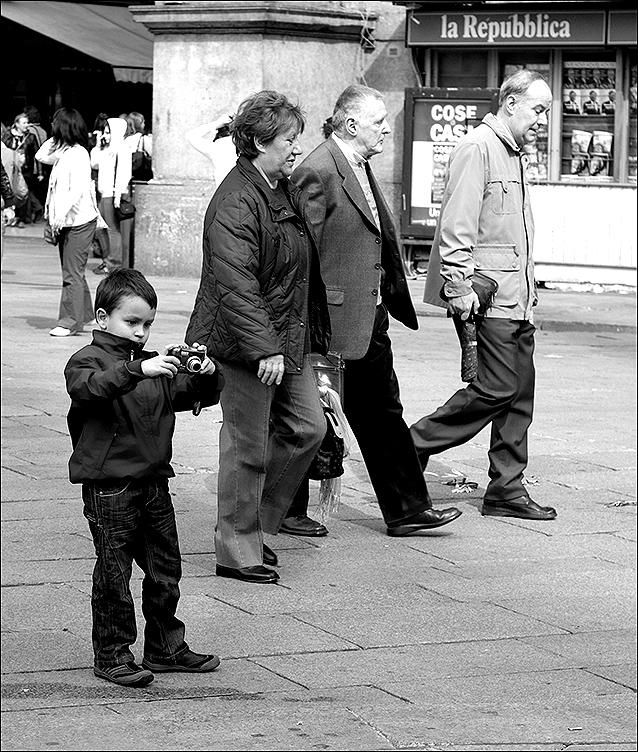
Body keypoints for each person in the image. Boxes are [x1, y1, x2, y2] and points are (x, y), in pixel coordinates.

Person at [289, 84, 461, 538]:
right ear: (350, 125)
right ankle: (288, 508)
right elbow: (301, 252)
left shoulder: (359, 165)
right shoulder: (318, 170)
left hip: (370, 313)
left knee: (381, 411)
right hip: (333, 318)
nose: (387, 129)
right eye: (379, 122)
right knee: (316, 413)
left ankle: (407, 509)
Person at [185, 90, 331, 584]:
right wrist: (264, 346)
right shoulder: (236, 198)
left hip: (285, 337)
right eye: (289, 140)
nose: (296, 149)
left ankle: (255, 525)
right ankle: (235, 547)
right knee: (246, 445)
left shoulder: (277, 186)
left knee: (309, 428)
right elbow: (235, 281)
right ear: (257, 142)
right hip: (246, 343)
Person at [64, 268, 224, 687]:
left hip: (153, 481)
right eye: (131, 322)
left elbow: (199, 396)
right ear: (102, 318)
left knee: (165, 569)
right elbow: (90, 389)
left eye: (147, 324)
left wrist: (207, 373)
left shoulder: (154, 367)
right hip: (110, 484)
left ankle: (165, 646)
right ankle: (113, 653)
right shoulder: (87, 360)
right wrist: (139, 370)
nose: (140, 332)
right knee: (115, 573)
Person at [410, 70, 557, 522]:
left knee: (520, 394)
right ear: (510, 103)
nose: (543, 121)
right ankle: (409, 447)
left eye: (547, 112)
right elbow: (456, 224)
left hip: (518, 297)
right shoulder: (478, 148)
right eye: (538, 109)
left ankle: (507, 490)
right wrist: (457, 285)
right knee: (496, 388)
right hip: (486, 296)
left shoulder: (513, 152)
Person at [35, 108, 102, 337]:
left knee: (71, 274)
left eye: (55, 123)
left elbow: (79, 188)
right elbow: (41, 156)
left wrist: (60, 215)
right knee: (73, 271)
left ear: (62, 125)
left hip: (78, 221)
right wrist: (56, 137)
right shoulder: (65, 151)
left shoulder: (79, 153)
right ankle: (84, 315)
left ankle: (69, 322)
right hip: (67, 222)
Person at [90, 117, 130, 274]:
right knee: (101, 228)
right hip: (103, 193)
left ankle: (113, 262)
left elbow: (124, 173)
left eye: (108, 132)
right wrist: (98, 145)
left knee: (112, 229)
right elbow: (94, 164)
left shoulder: (122, 149)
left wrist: (118, 194)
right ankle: (107, 259)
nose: (105, 135)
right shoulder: (106, 150)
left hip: (113, 194)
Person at [185, 111, 237, 187]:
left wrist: (216, 124)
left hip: (224, 195)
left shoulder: (217, 148)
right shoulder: (247, 145)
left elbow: (191, 136)